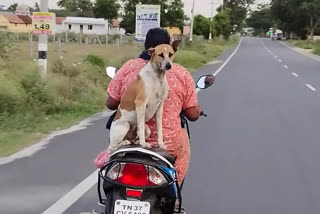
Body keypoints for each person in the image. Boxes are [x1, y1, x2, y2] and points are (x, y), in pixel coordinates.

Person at [106, 28, 202, 186]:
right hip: (166, 143)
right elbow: (192, 114)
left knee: (111, 166)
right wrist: (198, 110)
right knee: (183, 151)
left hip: (128, 141)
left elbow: (111, 103)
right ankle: (175, 197)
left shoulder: (129, 67)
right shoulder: (182, 73)